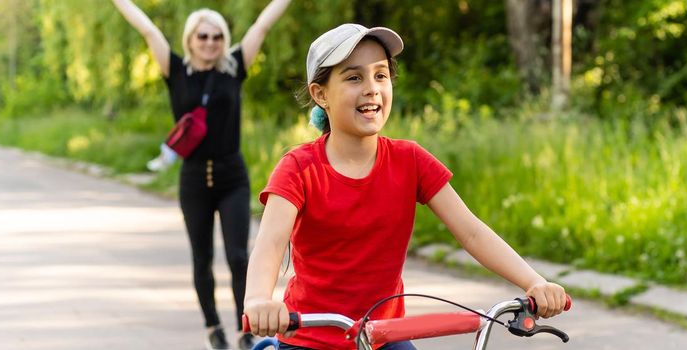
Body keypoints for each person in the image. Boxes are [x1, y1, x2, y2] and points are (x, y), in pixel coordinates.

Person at [242, 24, 569, 350]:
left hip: (384, 337)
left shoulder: (409, 160)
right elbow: (270, 243)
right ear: (320, 94)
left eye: (380, 75)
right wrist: (258, 299)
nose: (371, 88)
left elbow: (472, 232)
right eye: (354, 77)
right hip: (311, 338)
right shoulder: (299, 168)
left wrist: (534, 282)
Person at [111, 1, 292, 349]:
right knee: (202, 257)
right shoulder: (176, 71)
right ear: (190, 39)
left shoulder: (234, 67)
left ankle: (245, 328)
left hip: (232, 177)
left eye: (217, 36)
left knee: (239, 256)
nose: (210, 42)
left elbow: (261, 27)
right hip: (193, 179)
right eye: (203, 36)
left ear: (224, 40)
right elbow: (148, 29)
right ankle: (212, 326)